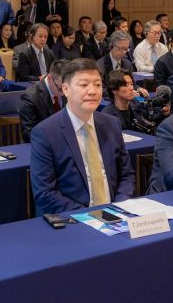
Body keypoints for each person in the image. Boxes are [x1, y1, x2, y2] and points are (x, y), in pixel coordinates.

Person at [29, 58, 135, 215]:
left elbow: (126, 175)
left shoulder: (112, 124)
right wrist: (90, 216)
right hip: (73, 218)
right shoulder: (45, 132)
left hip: (115, 214)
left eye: (97, 85)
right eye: (84, 85)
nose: (92, 91)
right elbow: (45, 193)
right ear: (66, 89)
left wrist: (119, 206)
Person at [18, 59, 66, 143]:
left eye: (68, 88)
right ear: (49, 78)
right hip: (44, 145)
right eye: (60, 89)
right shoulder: (29, 97)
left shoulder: (69, 90)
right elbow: (29, 134)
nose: (65, 93)